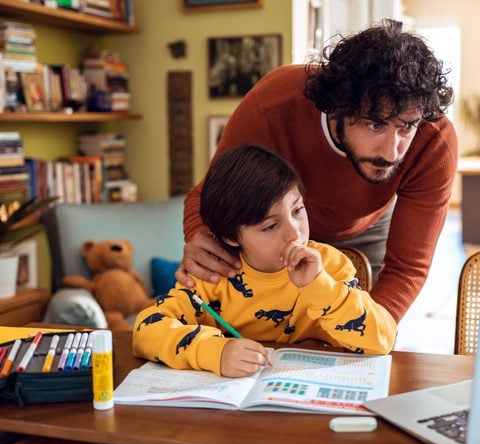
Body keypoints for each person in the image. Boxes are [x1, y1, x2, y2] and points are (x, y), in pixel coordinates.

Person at [179, 19, 457, 323]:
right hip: (275, 230)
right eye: (374, 124)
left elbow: (406, 269)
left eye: (406, 127)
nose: (392, 153)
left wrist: (367, 334)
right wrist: (200, 236)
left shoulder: (434, 141)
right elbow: (206, 196)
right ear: (338, 107)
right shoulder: (272, 105)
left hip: (368, 229)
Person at [133, 145, 396, 378]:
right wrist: (214, 352)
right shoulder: (212, 275)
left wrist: (321, 287)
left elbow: (383, 340)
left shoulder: (331, 265)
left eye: (297, 210)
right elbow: (146, 330)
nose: (294, 233)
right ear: (230, 236)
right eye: (270, 226)